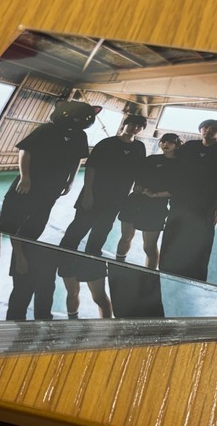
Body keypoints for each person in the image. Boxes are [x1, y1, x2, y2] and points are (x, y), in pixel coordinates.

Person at [0, 100, 101, 320]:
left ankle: (23, 251)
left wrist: (70, 181)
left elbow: (76, 160)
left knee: (35, 224)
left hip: (52, 187)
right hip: (29, 183)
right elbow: (25, 151)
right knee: (8, 220)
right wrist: (25, 177)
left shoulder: (80, 136)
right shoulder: (46, 130)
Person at [57, 114, 147, 319]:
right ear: (125, 124)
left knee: (102, 230)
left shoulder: (139, 147)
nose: (134, 128)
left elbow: (138, 171)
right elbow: (91, 168)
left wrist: (137, 187)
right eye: (132, 124)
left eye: (139, 126)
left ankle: (91, 258)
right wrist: (88, 193)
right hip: (95, 194)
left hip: (117, 198)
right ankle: (64, 257)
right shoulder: (107, 143)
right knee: (78, 228)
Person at [158, 119, 217, 282]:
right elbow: (172, 162)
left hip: (206, 203)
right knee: (174, 232)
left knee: (201, 237)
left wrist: (216, 207)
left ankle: (195, 275)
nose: (208, 130)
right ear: (200, 129)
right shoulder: (189, 147)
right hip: (181, 200)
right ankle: (166, 267)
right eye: (205, 127)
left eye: (213, 128)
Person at [115, 133, 182, 269]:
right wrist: (138, 186)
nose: (166, 144)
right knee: (126, 237)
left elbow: (178, 189)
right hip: (135, 202)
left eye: (170, 142)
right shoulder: (151, 159)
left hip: (155, 208)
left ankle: (149, 274)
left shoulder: (180, 165)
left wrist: (155, 195)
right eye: (163, 141)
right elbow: (138, 176)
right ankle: (118, 265)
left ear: (176, 145)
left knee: (149, 247)